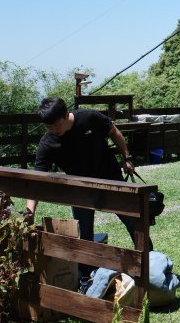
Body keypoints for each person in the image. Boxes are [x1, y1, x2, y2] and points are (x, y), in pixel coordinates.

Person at [25, 98, 142, 285]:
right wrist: (30, 211)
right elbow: (36, 182)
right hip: (80, 191)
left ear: (66, 115)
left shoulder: (89, 117)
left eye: (55, 125)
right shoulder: (47, 143)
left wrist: (127, 157)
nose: (53, 130)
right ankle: (88, 277)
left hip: (111, 181)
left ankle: (149, 261)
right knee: (85, 234)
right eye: (48, 127)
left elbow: (114, 132)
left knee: (132, 221)